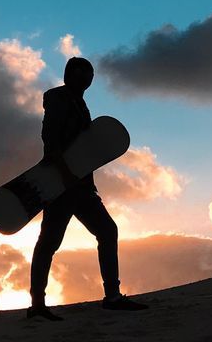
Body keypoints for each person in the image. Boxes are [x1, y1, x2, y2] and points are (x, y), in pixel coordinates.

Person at [27, 56, 148, 321]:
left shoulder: (79, 102)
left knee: (107, 230)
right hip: (62, 185)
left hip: (80, 187)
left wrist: (83, 181)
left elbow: (85, 150)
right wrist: (65, 175)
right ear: (68, 75)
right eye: (80, 74)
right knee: (49, 242)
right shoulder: (59, 100)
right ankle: (37, 304)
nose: (85, 79)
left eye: (89, 75)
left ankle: (112, 297)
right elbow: (51, 141)